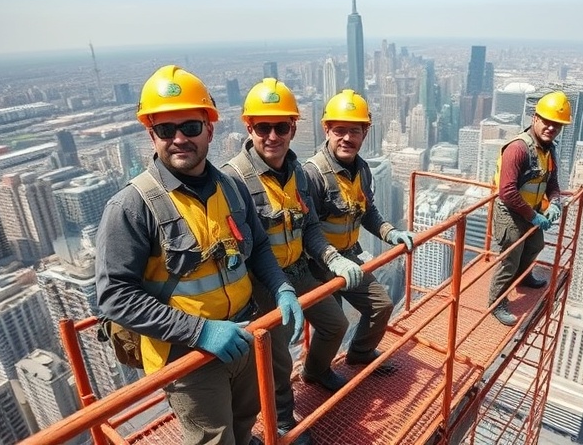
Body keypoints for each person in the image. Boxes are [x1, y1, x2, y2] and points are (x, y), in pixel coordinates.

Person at [95, 65, 304, 445]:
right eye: (165, 129)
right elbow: (115, 297)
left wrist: (282, 288)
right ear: (151, 134)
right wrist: (201, 330)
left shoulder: (232, 187)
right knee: (214, 438)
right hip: (186, 355)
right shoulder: (131, 206)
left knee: (246, 416)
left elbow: (257, 247)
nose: (179, 139)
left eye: (190, 127)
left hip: (244, 332)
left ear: (210, 128)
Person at [223, 79, 365, 443]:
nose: (273, 136)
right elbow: (244, 249)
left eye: (281, 127)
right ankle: (284, 420)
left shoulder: (298, 173)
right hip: (264, 283)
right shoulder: (234, 179)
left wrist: (331, 256)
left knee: (334, 323)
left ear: (293, 129)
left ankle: (316, 372)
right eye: (263, 127)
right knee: (279, 356)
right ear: (249, 127)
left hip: (299, 271)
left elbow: (310, 226)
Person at [303, 89, 413, 372]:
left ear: (365, 133)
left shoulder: (362, 170)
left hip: (348, 258)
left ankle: (360, 353)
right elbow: (306, 229)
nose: (347, 138)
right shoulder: (313, 175)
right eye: (339, 130)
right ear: (327, 130)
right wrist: (331, 260)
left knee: (381, 305)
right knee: (334, 325)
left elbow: (367, 212)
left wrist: (391, 232)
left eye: (355, 131)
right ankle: (316, 373)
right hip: (317, 264)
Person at [488, 91, 571, 327]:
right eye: (547, 122)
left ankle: (523, 279)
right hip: (510, 213)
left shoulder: (548, 149)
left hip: (531, 211)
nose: (551, 128)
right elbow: (507, 191)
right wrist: (533, 215)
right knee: (510, 259)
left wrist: (554, 202)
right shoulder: (518, 149)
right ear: (535, 118)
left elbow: (552, 183)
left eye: (557, 125)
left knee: (535, 245)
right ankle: (497, 302)